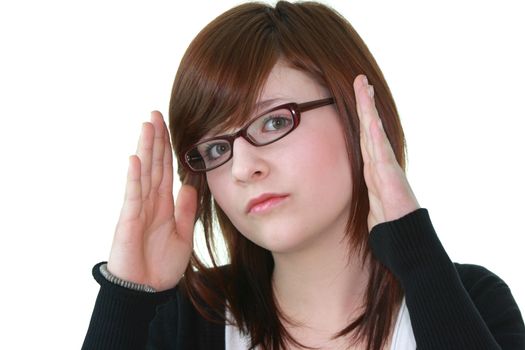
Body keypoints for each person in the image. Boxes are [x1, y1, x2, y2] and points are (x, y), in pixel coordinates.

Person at [82, 1, 525, 349]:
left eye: (274, 122)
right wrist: (129, 298)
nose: (242, 168)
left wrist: (416, 251)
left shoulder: (471, 302)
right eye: (216, 148)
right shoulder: (187, 321)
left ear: (355, 115)